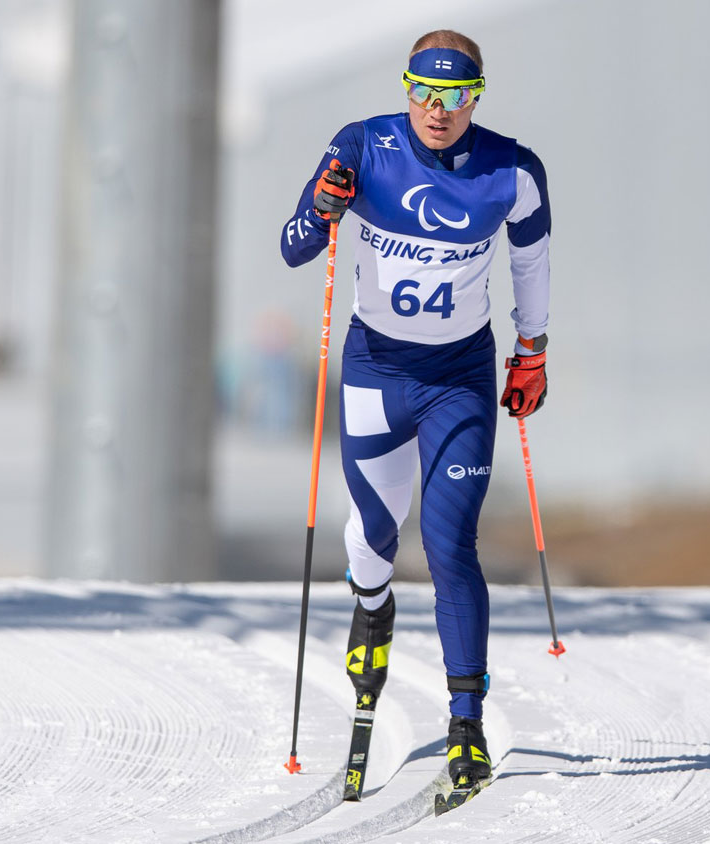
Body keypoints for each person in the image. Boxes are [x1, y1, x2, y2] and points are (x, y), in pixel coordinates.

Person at [280, 29, 551, 792]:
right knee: (375, 534)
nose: (439, 111)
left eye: (456, 96)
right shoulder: (362, 148)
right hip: (376, 370)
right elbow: (294, 247)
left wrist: (532, 350)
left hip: (459, 377)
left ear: (477, 97)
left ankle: (465, 721)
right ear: (405, 92)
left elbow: (531, 261)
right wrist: (325, 207)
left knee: (448, 541)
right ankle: (372, 607)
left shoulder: (513, 170)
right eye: (425, 94)